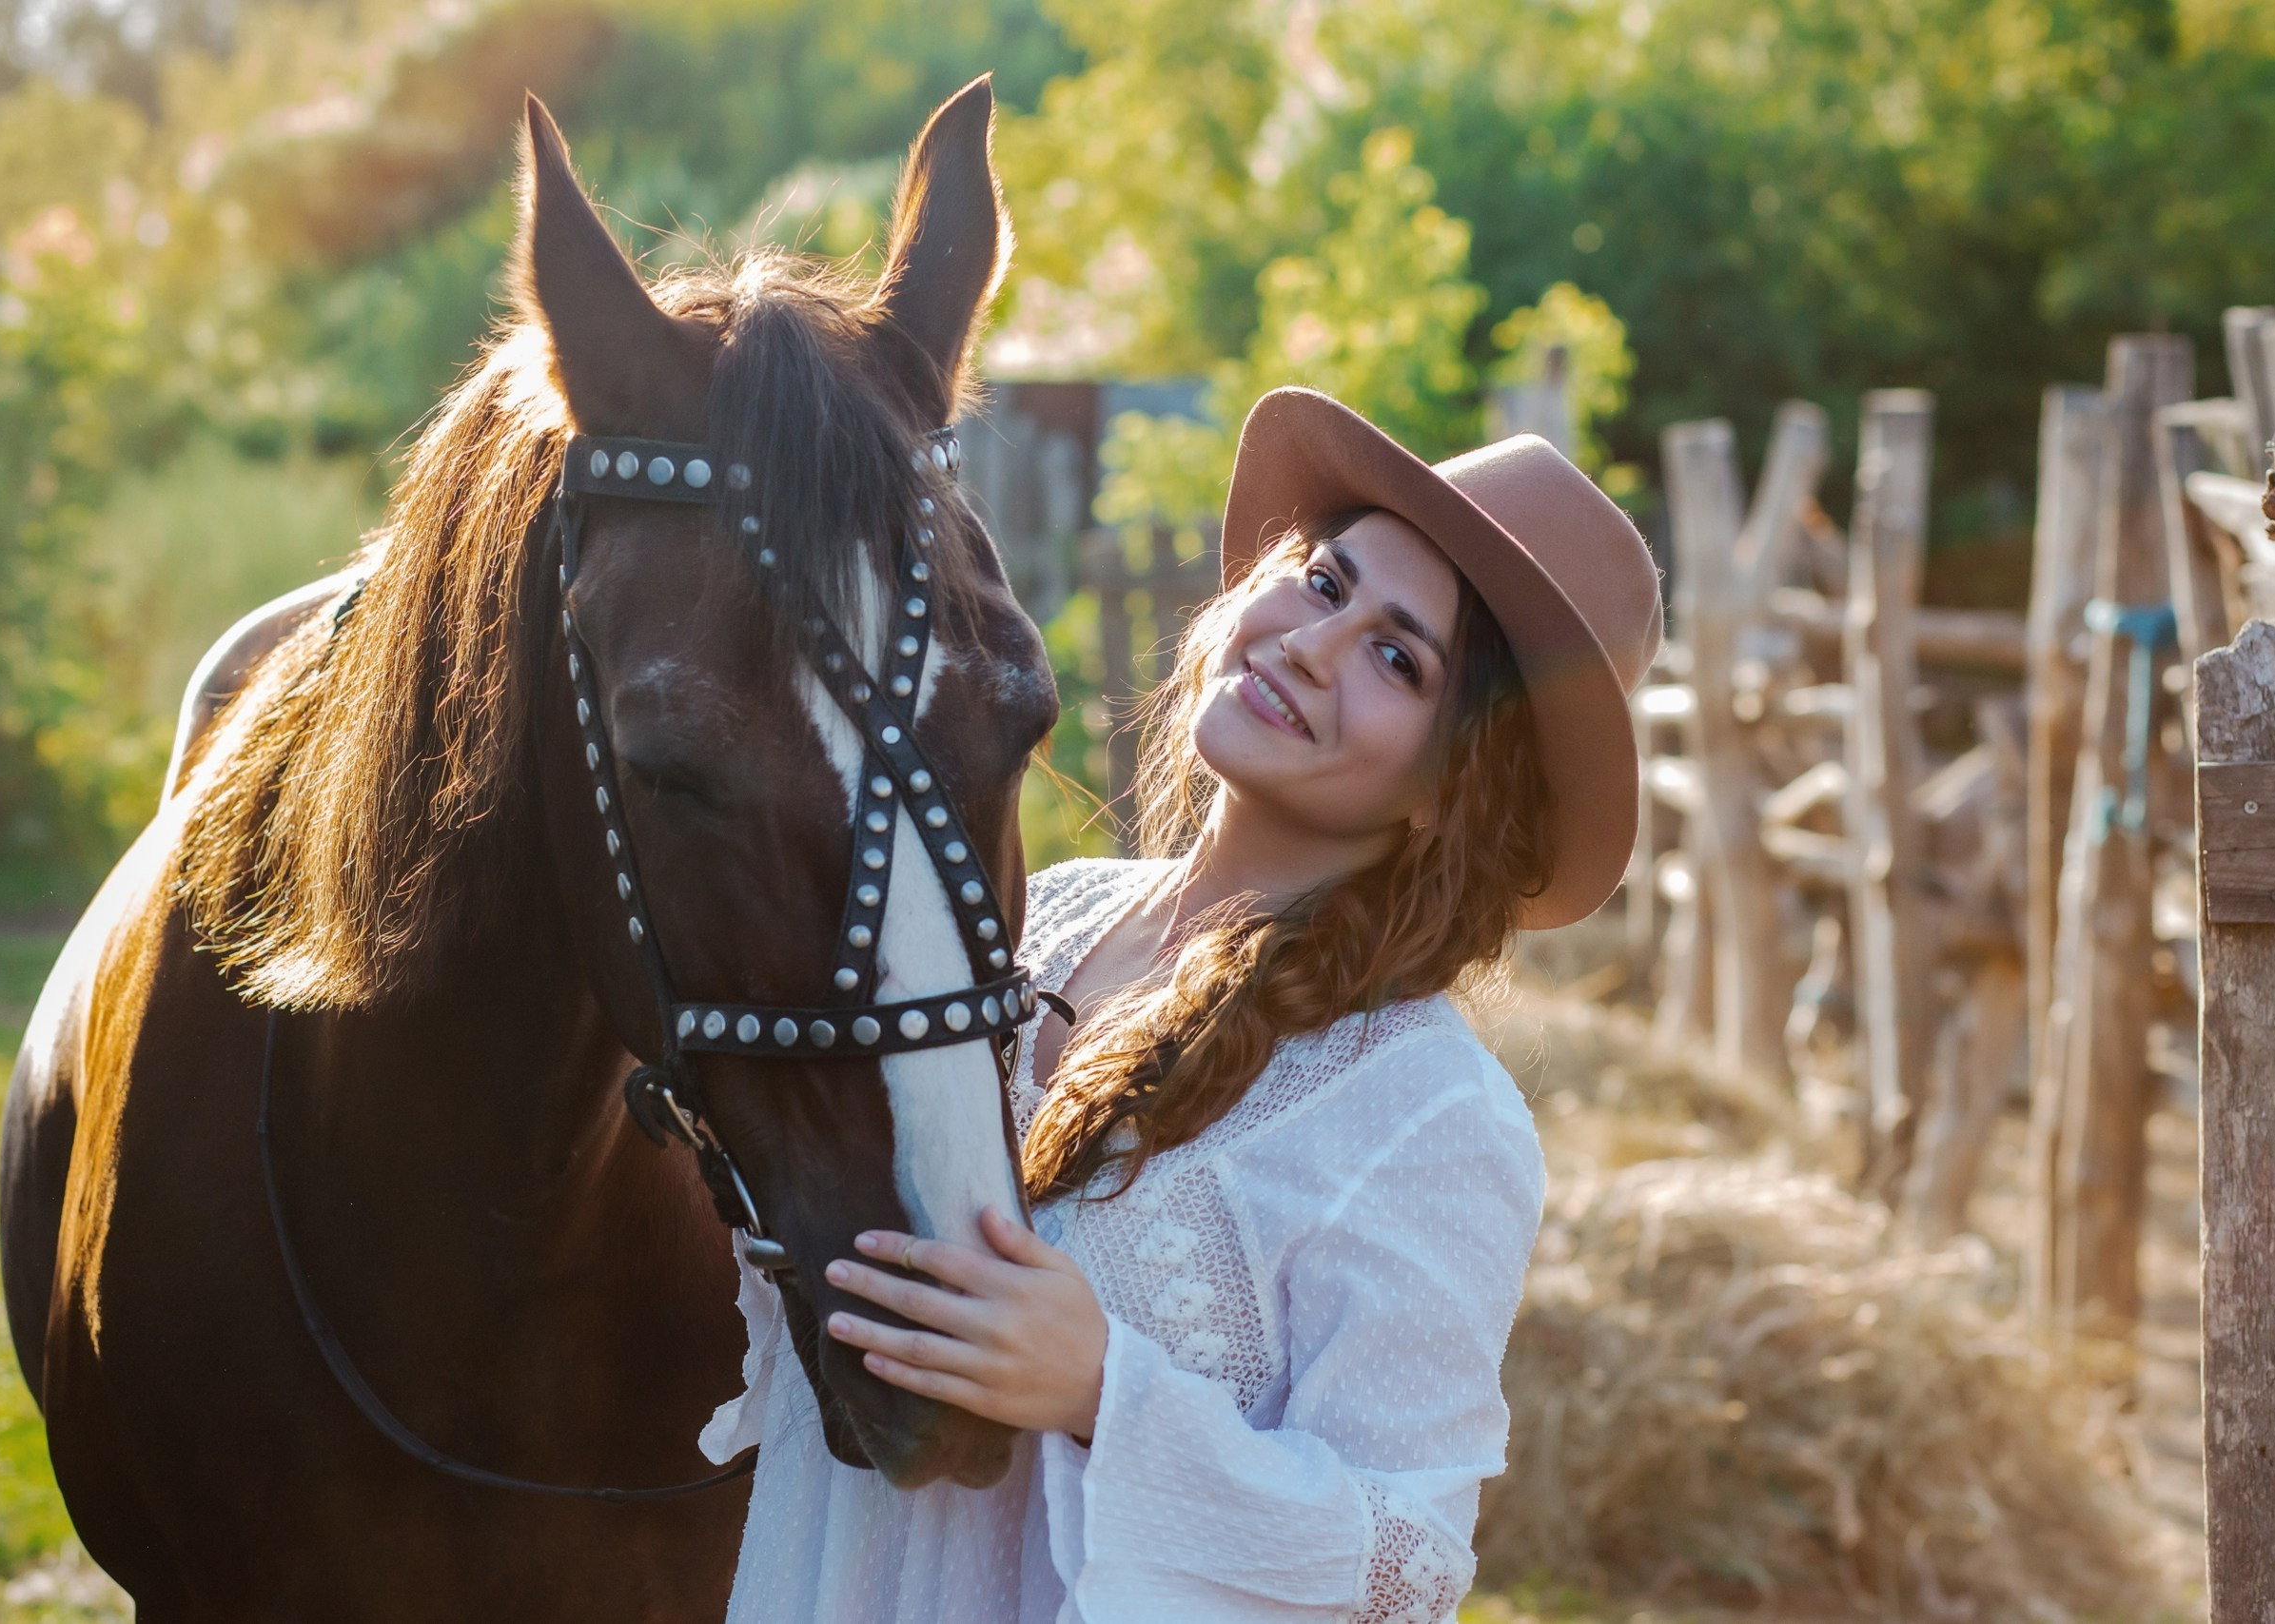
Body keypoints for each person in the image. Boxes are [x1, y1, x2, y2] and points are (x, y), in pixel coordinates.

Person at [706, 385, 1661, 1622]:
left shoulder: (1425, 1115)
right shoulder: (1042, 912)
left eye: (1397, 657)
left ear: (1453, 787)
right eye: (1325, 583)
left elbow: (1406, 1569)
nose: (1312, 642)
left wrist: (1109, 1390)